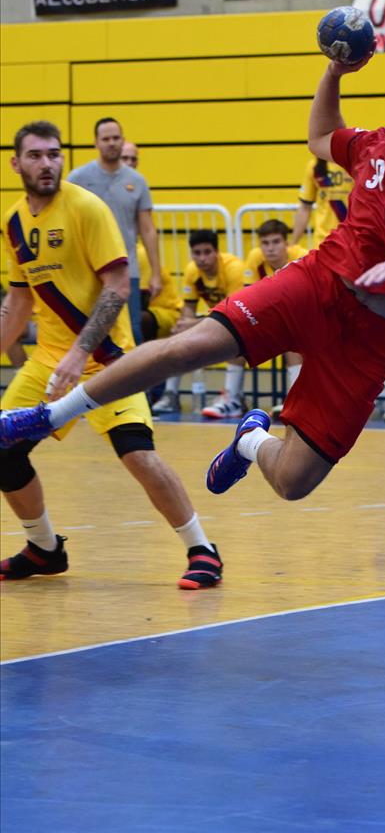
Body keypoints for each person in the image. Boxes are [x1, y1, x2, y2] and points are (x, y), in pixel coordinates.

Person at [0, 50, 385, 507]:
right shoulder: (371, 144)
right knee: (190, 347)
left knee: (293, 483)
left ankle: (252, 439)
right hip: (317, 284)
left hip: (374, 333)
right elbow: (320, 135)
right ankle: (49, 416)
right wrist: (334, 74)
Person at [0, 121, 222, 590]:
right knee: (3, 451)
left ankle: (202, 549)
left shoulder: (85, 207)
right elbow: (20, 300)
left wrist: (80, 354)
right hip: (48, 361)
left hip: (108, 359)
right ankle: (43, 548)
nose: (47, 164)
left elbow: (118, 287)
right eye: (36, 156)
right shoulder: (14, 221)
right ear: (16, 163)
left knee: (137, 454)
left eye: (54, 154)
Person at [68, 117, 161, 347]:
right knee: (87, 335)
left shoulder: (137, 181)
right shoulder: (76, 179)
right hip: (87, 273)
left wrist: (156, 273)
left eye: (116, 138)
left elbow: (148, 230)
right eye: (106, 138)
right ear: (95, 143)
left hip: (127, 271)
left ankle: (133, 384)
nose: (111, 143)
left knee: (132, 335)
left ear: (123, 140)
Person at [153, 229, 245, 417]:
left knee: (237, 333)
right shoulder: (192, 271)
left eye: (207, 252)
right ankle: (170, 395)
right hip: (221, 319)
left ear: (217, 252)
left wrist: (193, 324)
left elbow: (234, 315)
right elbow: (188, 311)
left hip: (246, 317)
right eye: (197, 253)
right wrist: (183, 327)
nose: (202, 258)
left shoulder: (234, 269)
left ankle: (232, 398)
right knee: (178, 333)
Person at [244, 219, 308, 415]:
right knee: (237, 332)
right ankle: (232, 398)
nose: (270, 248)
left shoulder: (302, 257)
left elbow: (306, 300)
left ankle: (299, 399)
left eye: (276, 242)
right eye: (265, 243)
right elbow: (250, 298)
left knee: (291, 334)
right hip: (279, 316)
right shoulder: (255, 259)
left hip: (310, 315)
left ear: (287, 243)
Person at [291, 156, 353, 249]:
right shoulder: (314, 166)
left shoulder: (357, 163)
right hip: (323, 240)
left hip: (353, 239)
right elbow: (305, 207)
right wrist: (293, 243)